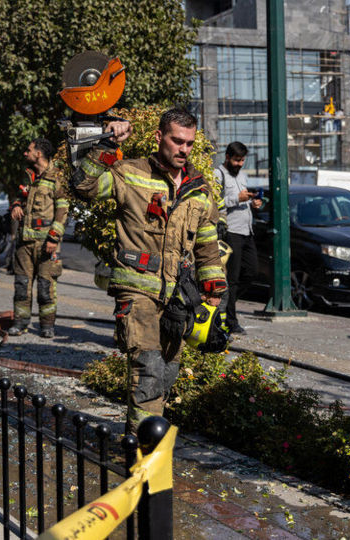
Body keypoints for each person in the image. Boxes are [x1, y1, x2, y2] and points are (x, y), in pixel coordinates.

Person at [72, 108, 227, 429]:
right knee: (148, 370)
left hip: (178, 298)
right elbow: (84, 186)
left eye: (189, 143)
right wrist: (105, 145)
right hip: (137, 290)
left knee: (168, 372)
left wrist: (213, 296)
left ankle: (146, 438)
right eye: (176, 141)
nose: (183, 149)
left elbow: (207, 244)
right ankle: (143, 455)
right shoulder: (130, 173)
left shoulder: (199, 188)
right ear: (159, 138)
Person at [7, 138, 69, 339]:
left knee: (46, 287)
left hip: (46, 245)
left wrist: (53, 238)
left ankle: (47, 326)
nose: (25, 153)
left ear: (39, 154)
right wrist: (16, 205)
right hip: (24, 244)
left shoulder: (56, 177)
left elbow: (63, 210)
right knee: (22, 285)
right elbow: (19, 196)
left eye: (29, 150)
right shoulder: (28, 176)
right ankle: (20, 323)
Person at [215, 142, 262, 335]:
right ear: (227, 157)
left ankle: (227, 303)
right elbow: (214, 203)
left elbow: (244, 198)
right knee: (232, 278)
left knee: (252, 271)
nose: (240, 164)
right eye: (236, 160)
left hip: (246, 231)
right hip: (231, 231)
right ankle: (231, 321)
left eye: (242, 160)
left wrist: (253, 202)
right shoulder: (217, 175)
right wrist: (237, 199)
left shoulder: (242, 176)